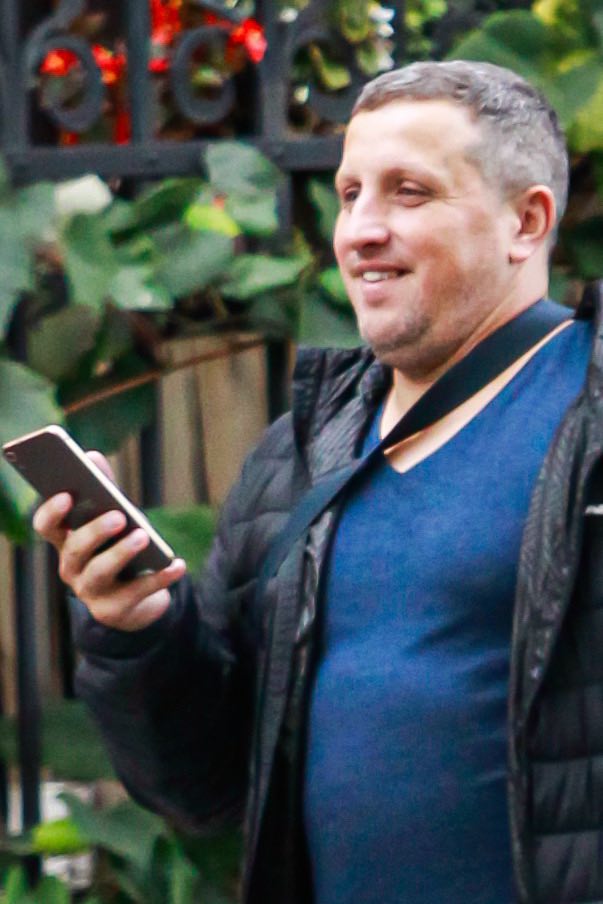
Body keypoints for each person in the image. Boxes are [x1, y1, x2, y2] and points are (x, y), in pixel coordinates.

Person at [33, 59, 603, 904]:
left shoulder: (587, 412)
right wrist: (136, 628)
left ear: (525, 222)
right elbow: (205, 786)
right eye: (349, 194)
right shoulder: (299, 451)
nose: (360, 230)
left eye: (408, 193)